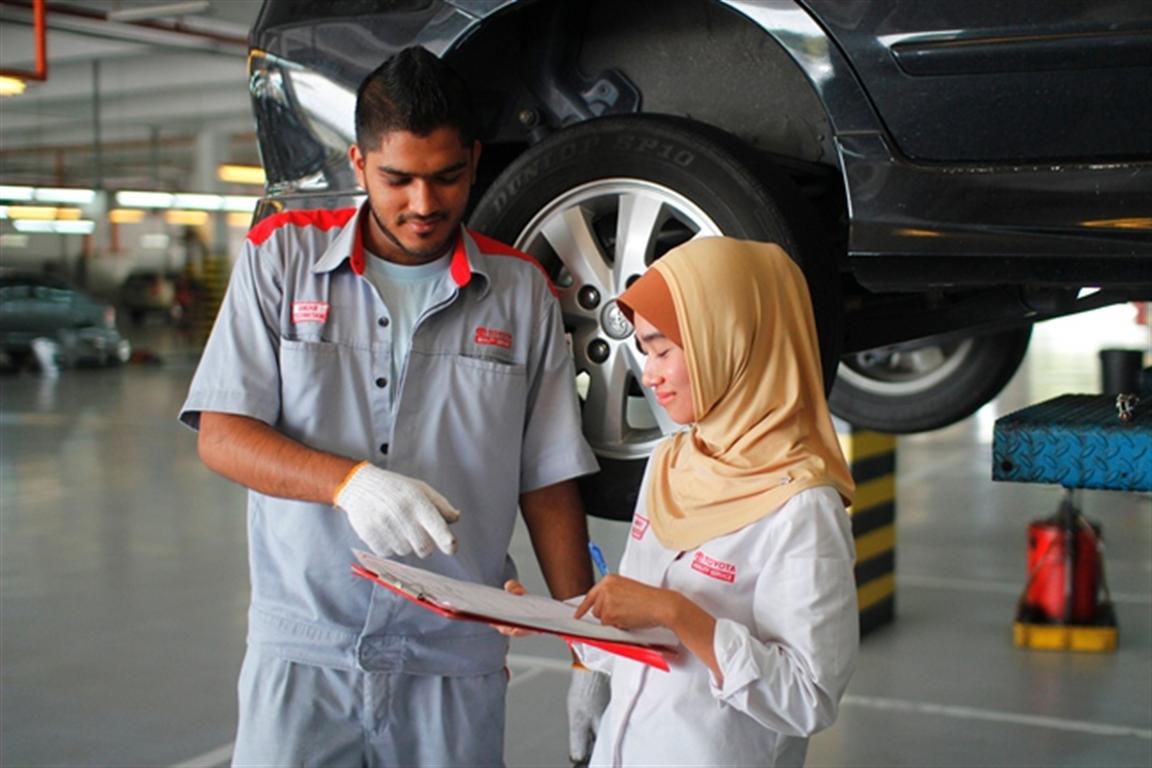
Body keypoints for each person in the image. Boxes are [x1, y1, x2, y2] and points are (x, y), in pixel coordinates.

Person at [180, 46, 608, 766]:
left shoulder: (521, 291)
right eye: (397, 179)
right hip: (307, 650)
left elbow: (548, 482)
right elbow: (222, 436)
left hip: (454, 653)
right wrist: (347, 483)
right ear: (357, 164)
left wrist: (587, 652)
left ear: (474, 160)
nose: (423, 204)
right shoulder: (279, 259)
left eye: (446, 178)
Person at [510, 237, 859, 766]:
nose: (649, 374)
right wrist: (544, 617)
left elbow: (807, 698)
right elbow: (633, 626)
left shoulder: (802, 505)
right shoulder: (671, 462)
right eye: (644, 352)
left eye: (663, 349)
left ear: (729, 341)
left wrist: (679, 615)